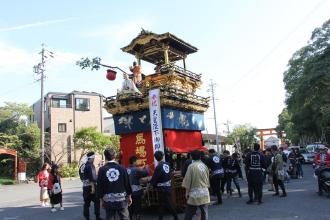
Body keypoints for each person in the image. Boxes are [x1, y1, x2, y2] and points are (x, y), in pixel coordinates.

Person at [98, 148, 132, 220]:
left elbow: (100, 186)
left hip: (108, 200)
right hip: (121, 199)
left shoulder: (102, 170)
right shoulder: (122, 168)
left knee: (110, 217)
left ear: (105, 157)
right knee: (125, 217)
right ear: (114, 156)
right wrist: (129, 196)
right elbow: (127, 183)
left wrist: (101, 200)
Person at [150, 151, 179, 220]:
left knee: (169, 205)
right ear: (162, 156)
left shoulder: (158, 167)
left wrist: (152, 184)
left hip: (162, 189)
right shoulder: (167, 164)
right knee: (162, 205)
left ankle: (176, 217)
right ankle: (160, 218)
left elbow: (155, 178)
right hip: (168, 186)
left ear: (156, 158)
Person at [182, 150, 210, 220]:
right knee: (204, 212)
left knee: (189, 213)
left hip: (195, 193)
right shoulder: (204, 166)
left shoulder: (191, 166)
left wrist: (186, 192)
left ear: (191, 157)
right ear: (200, 157)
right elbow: (207, 179)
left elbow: (187, 181)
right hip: (205, 192)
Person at [127, 156, 149, 220]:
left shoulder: (126, 169)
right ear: (134, 162)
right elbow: (146, 173)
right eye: (137, 161)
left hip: (128, 192)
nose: (137, 162)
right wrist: (147, 168)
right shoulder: (136, 169)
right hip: (136, 191)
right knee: (138, 207)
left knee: (130, 208)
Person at [82, 152, 102, 220]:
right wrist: (93, 187)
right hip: (91, 186)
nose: (94, 159)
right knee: (97, 201)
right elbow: (93, 178)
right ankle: (97, 217)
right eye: (94, 158)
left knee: (86, 203)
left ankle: (86, 217)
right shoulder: (90, 165)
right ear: (92, 158)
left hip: (85, 186)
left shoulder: (84, 165)